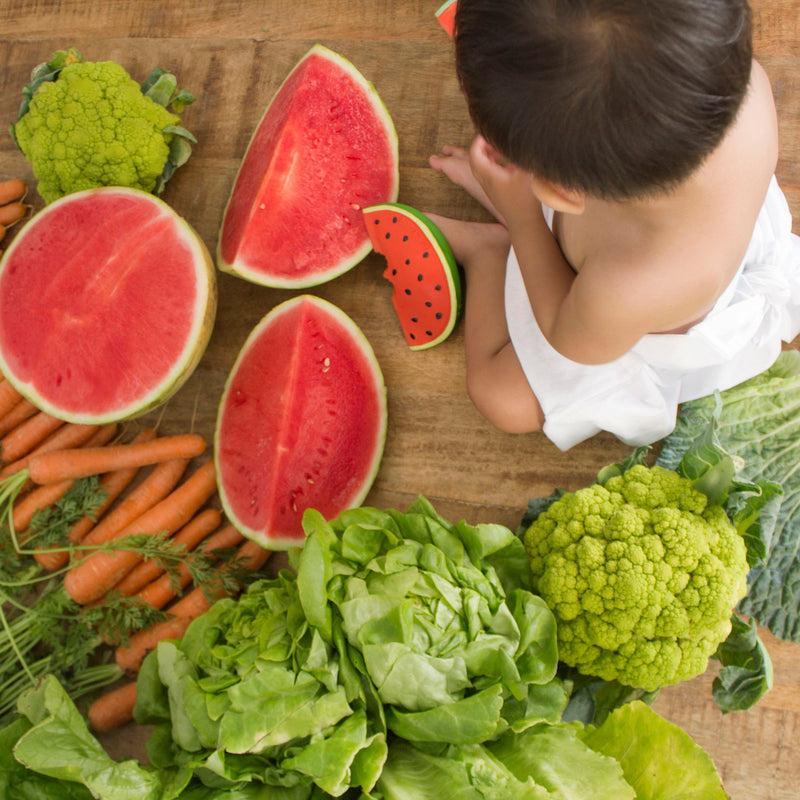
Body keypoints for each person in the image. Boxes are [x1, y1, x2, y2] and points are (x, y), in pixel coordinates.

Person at [427, 0, 800, 451]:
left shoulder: (631, 285)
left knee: (499, 396)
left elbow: (566, 333)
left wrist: (524, 219)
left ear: (561, 192)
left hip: (612, 329)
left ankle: (487, 252)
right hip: (624, 225)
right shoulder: (745, 86)